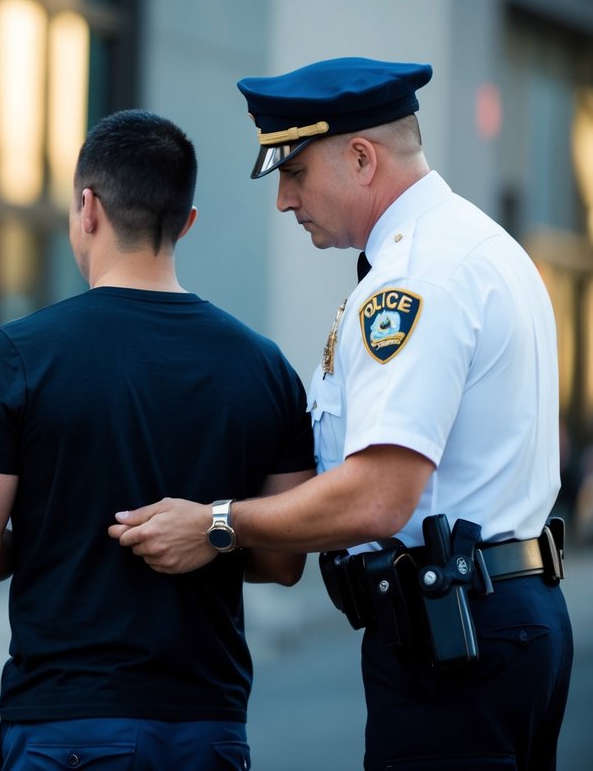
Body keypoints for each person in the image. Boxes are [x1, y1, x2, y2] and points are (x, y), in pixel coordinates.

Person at [110, 58, 573, 770]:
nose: (283, 202)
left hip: (454, 633)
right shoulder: (465, 247)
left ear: (360, 158)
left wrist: (218, 524)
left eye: (292, 173)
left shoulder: (415, 278)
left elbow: (378, 496)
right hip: (490, 617)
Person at [0, 109, 316, 770]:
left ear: (87, 207)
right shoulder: (264, 367)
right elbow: (282, 562)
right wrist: (213, 534)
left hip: (65, 722)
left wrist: (53, 531)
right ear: (186, 222)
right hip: (209, 721)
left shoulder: (18, 356)